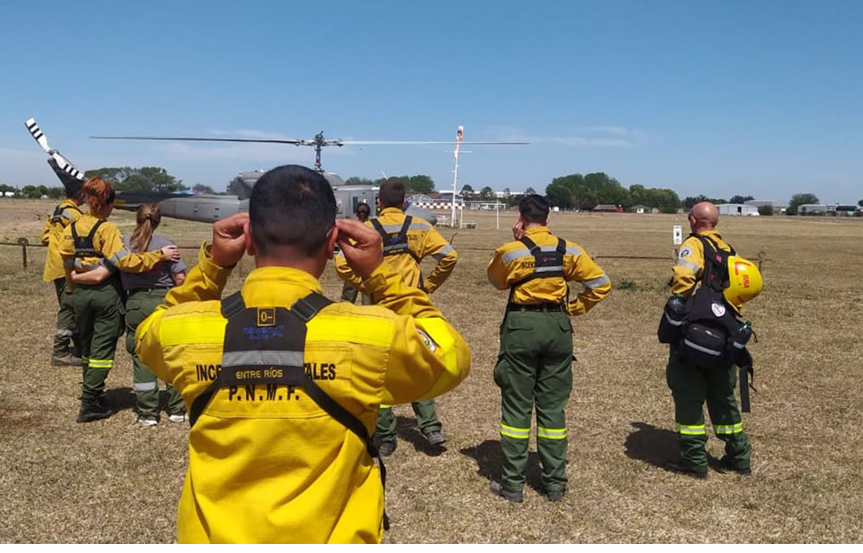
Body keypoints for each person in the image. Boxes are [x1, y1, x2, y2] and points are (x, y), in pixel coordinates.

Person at [135, 164, 471, 544]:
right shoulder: (371, 334)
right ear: (332, 244)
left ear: (248, 238)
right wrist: (383, 276)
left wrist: (213, 268)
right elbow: (451, 357)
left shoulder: (183, 331)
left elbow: (147, 335)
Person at [486, 194, 611, 503]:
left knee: (516, 407)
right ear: (548, 219)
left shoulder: (510, 251)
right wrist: (574, 308)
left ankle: (513, 484)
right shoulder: (570, 250)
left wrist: (517, 242)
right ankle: (555, 482)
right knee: (553, 409)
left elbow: (496, 281)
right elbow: (601, 283)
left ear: (520, 218)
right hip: (557, 326)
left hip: (521, 328)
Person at [335, 179, 459, 455]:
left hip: (377, 309)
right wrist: (427, 288)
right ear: (405, 203)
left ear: (379, 203)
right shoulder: (421, 227)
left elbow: (342, 263)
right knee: (422, 361)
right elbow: (449, 257)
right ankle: (431, 428)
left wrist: (367, 284)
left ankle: (386, 436)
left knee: (379, 370)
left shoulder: (367, 230)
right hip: (411, 307)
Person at [58, 177, 181, 423]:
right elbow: (124, 262)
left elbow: (66, 260)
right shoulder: (107, 230)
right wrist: (158, 256)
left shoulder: (71, 227)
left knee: (86, 346)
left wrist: (74, 284)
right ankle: (90, 400)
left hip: (78, 294)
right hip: (106, 295)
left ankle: (93, 392)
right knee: (102, 352)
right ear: (105, 204)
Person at [662, 201, 761, 478]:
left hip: (695, 331)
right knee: (723, 396)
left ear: (693, 221)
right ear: (715, 223)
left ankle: (694, 460)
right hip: (724, 332)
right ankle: (739, 456)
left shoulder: (693, 246)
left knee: (689, 394)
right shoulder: (728, 250)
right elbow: (747, 285)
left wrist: (681, 302)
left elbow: (683, 274)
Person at [40, 187, 86, 366]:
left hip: (54, 266)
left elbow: (45, 238)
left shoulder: (57, 211)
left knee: (71, 307)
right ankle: (60, 351)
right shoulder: (75, 215)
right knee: (69, 309)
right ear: (80, 194)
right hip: (68, 267)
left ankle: (79, 348)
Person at [340, 200, 372, 304]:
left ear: (356, 213)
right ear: (369, 213)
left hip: (353, 265)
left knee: (347, 298)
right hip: (369, 267)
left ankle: (344, 317)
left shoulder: (351, 227)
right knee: (368, 299)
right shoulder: (374, 227)